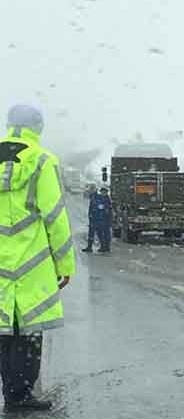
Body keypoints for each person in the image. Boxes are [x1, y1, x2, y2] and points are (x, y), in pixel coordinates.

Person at [0, 105, 76, 412]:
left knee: (5, 330)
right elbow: (55, 218)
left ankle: (11, 391)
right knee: (29, 332)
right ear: (38, 127)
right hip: (32, 266)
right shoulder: (43, 161)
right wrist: (65, 264)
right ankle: (22, 394)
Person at [82, 186, 112, 253]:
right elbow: (92, 208)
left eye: (104, 192)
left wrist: (108, 221)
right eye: (102, 192)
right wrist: (90, 217)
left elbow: (105, 210)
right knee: (94, 234)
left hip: (100, 220)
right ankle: (92, 247)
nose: (103, 193)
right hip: (95, 219)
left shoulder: (105, 200)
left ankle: (104, 247)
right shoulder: (96, 197)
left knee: (101, 234)